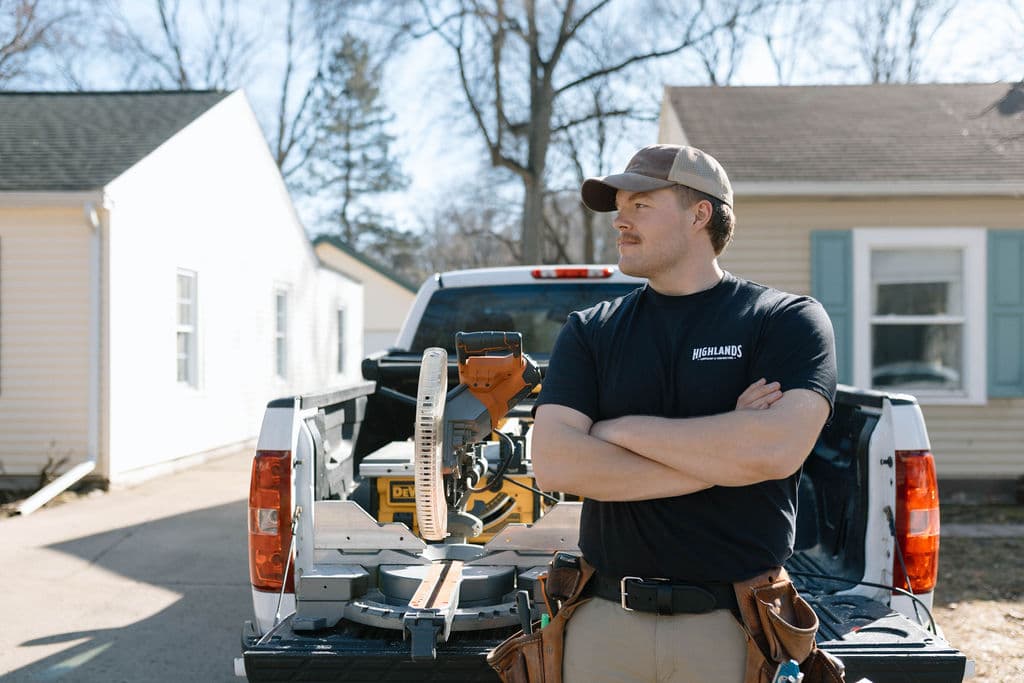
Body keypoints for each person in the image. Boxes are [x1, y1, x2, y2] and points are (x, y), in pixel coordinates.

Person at [531, 144, 837, 683]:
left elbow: (776, 450)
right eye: (620, 204)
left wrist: (619, 430)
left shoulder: (785, 320)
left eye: (642, 204)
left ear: (701, 214)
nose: (620, 219)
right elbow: (556, 464)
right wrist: (725, 455)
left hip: (736, 624)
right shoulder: (592, 331)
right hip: (604, 625)